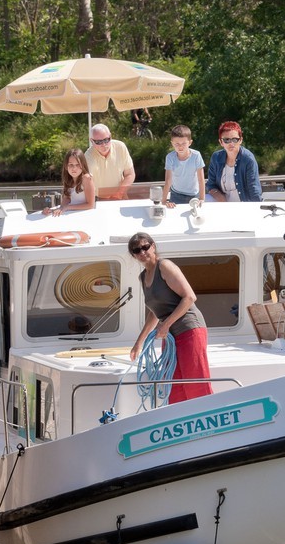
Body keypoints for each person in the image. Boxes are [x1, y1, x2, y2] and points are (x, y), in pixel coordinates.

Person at [128, 232, 212, 403]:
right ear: (133, 255)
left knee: (195, 383)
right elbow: (155, 311)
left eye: (145, 247)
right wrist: (139, 343)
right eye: (137, 250)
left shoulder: (165, 266)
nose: (142, 252)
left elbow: (189, 297)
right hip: (170, 335)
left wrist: (165, 325)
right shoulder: (143, 277)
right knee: (175, 387)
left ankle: (209, 423)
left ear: (153, 246)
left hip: (189, 329)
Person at [206, 121, 262, 202]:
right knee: (204, 200)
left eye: (235, 139)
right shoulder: (216, 157)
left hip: (243, 204)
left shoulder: (248, 159)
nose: (231, 143)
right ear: (221, 142)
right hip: (222, 203)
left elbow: (254, 188)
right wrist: (221, 199)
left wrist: (256, 209)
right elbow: (211, 185)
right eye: (226, 140)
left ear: (240, 140)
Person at [85, 123, 135, 199]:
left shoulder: (120, 147)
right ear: (91, 141)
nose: (104, 144)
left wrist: (120, 193)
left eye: (106, 140)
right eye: (98, 142)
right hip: (98, 199)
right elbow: (86, 183)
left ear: (110, 136)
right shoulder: (88, 156)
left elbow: (130, 174)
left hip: (121, 195)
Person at [162, 124, 206, 207]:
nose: (180, 147)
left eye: (183, 143)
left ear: (190, 142)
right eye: (177, 144)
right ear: (172, 143)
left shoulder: (196, 155)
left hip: (194, 195)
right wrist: (164, 201)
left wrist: (202, 198)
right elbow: (168, 181)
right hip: (176, 195)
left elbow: (201, 179)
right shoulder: (170, 157)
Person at [47, 147, 96, 214]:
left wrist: (68, 207)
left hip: (84, 215)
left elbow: (90, 205)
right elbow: (67, 199)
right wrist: (59, 209)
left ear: (83, 165)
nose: (74, 168)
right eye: (71, 165)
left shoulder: (86, 178)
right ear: (66, 166)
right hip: (71, 213)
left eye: (77, 165)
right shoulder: (68, 179)